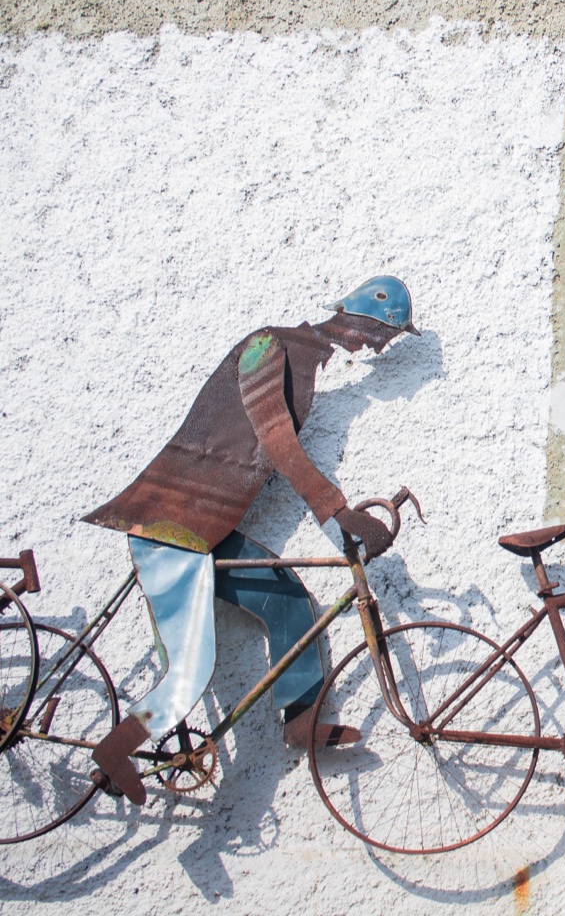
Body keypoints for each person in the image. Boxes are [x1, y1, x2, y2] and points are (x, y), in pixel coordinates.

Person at [85, 276, 419, 804]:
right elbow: (276, 440)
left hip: (207, 531)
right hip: (171, 523)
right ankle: (115, 748)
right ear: (359, 318)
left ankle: (301, 719)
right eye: (381, 335)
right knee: (191, 668)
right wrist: (338, 512)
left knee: (288, 600)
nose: (376, 348)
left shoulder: (305, 361)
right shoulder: (268, 345)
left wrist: (339, 517)